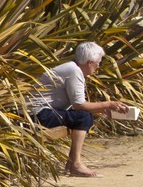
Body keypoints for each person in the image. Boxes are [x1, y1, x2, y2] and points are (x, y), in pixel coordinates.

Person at [29, 42, 131, 178]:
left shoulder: (72, 68)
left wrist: (103, 109)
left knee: (83, 115)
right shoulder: (74, 71)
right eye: (98, 63)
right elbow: (79, 105)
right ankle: (75, 164)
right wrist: (108, 104)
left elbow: (75, 105)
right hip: (37, 113)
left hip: (37, 112)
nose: (98, 67)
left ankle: (72, 164)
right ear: (90, 63)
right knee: (83, 117)